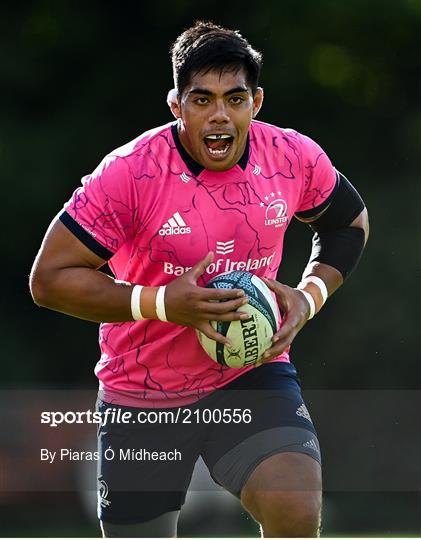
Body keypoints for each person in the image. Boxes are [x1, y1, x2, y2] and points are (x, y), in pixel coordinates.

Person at [30, 21, 369, 538]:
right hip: (141, 391)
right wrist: (166, 304)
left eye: (234, 99)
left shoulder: (292, 157)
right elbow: (49, 279)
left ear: (256, 102)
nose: (219, 115)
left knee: (296, 507)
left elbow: (349, 223)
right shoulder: (128, 173)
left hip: (249, 371)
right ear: (176, 105)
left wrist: (309, 297)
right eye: (202, 99)